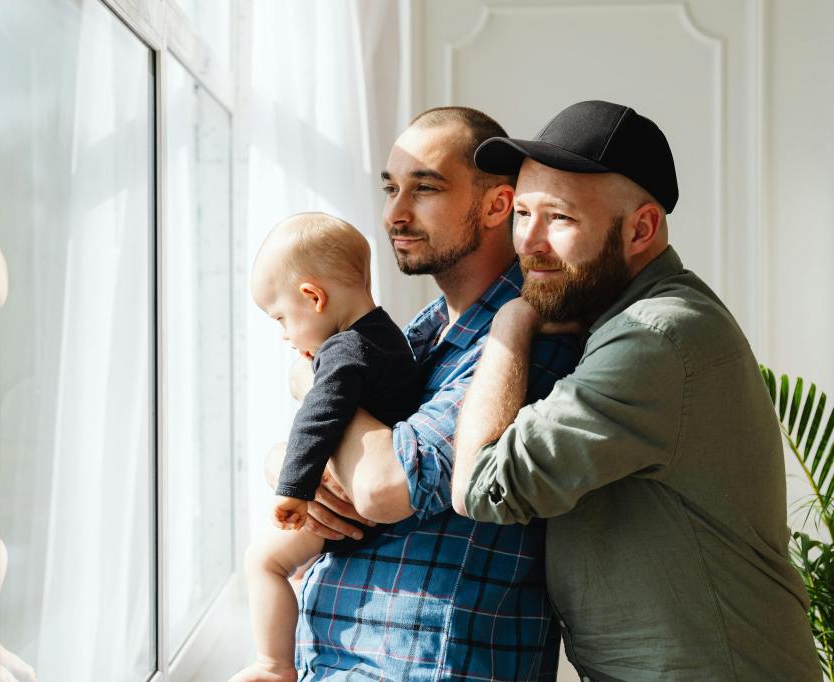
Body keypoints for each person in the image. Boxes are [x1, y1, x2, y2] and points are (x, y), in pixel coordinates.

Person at [453, 100, 820, 681]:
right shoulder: (619, 320)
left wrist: (509, 326)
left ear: (641, 228)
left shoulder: (656, 337)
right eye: (522, 212)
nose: (530, 241)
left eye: (561, 218)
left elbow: (482, 486)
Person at [263, 108, 582, 680]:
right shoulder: (424, 330)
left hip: (419, 667)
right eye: (390, 188)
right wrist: (294, 471)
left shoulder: (523, 341)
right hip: (341, 660)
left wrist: (312, 386)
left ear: (495, 205)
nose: (394, 214)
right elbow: (334, 441)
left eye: (424, 188)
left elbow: (383, 485)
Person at [232, 212, 420, 682]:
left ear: (312, 297)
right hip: (376, 510)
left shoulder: (343, 350)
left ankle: (273, 666)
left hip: (361, 507)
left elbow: (321, 416)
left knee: (264, 561)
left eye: (282, 320)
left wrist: (293, 488)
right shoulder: (391, 339)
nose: (284, 336)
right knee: (291, 565)